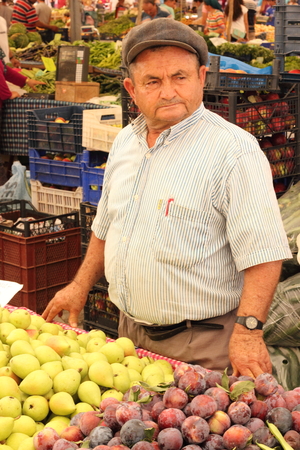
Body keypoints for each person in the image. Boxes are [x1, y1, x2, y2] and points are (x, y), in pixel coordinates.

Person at [42, 19, 292, 377]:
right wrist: (79, 286)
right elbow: (106, 226)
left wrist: (248, 331)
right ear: (131, 88)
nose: (169, 92)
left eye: (180, 77)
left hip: (203, 347)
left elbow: (264, 254)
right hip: (129, 338)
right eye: (153, 82)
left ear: (202, 78)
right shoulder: (126, 142)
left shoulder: (234, 151)